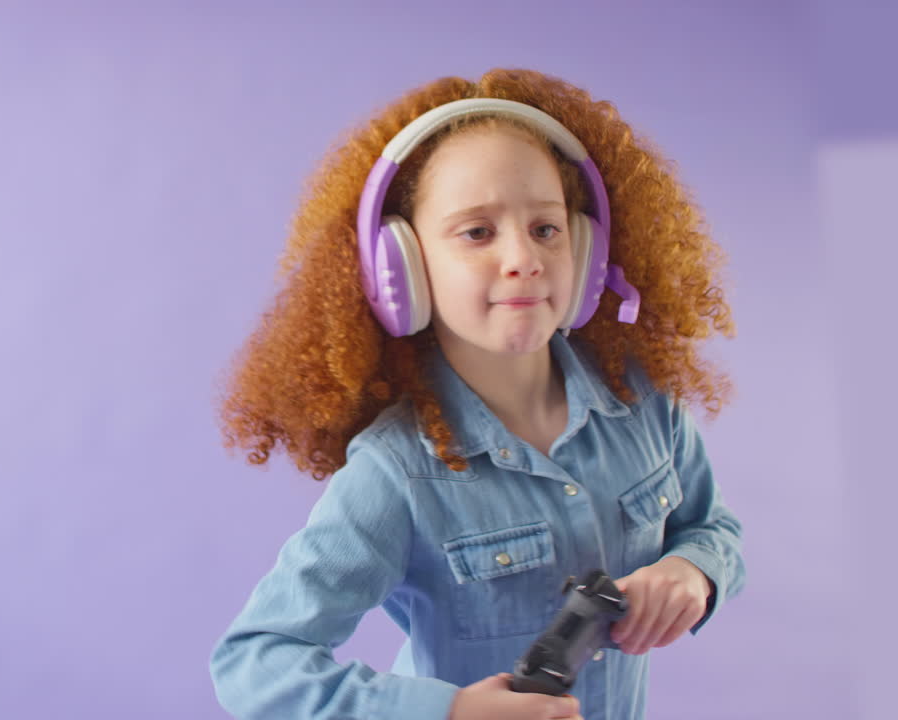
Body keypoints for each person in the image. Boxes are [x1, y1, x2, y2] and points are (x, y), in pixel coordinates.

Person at [209, 68, 745, 720]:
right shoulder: (397, 473)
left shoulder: (644, 401)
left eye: (546, 228)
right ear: (401, 268)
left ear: (587, 250)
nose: (524, 257)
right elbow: (254, 662)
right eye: (477, 232)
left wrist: (694, 571)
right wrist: (449, 712)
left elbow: (712, 527)